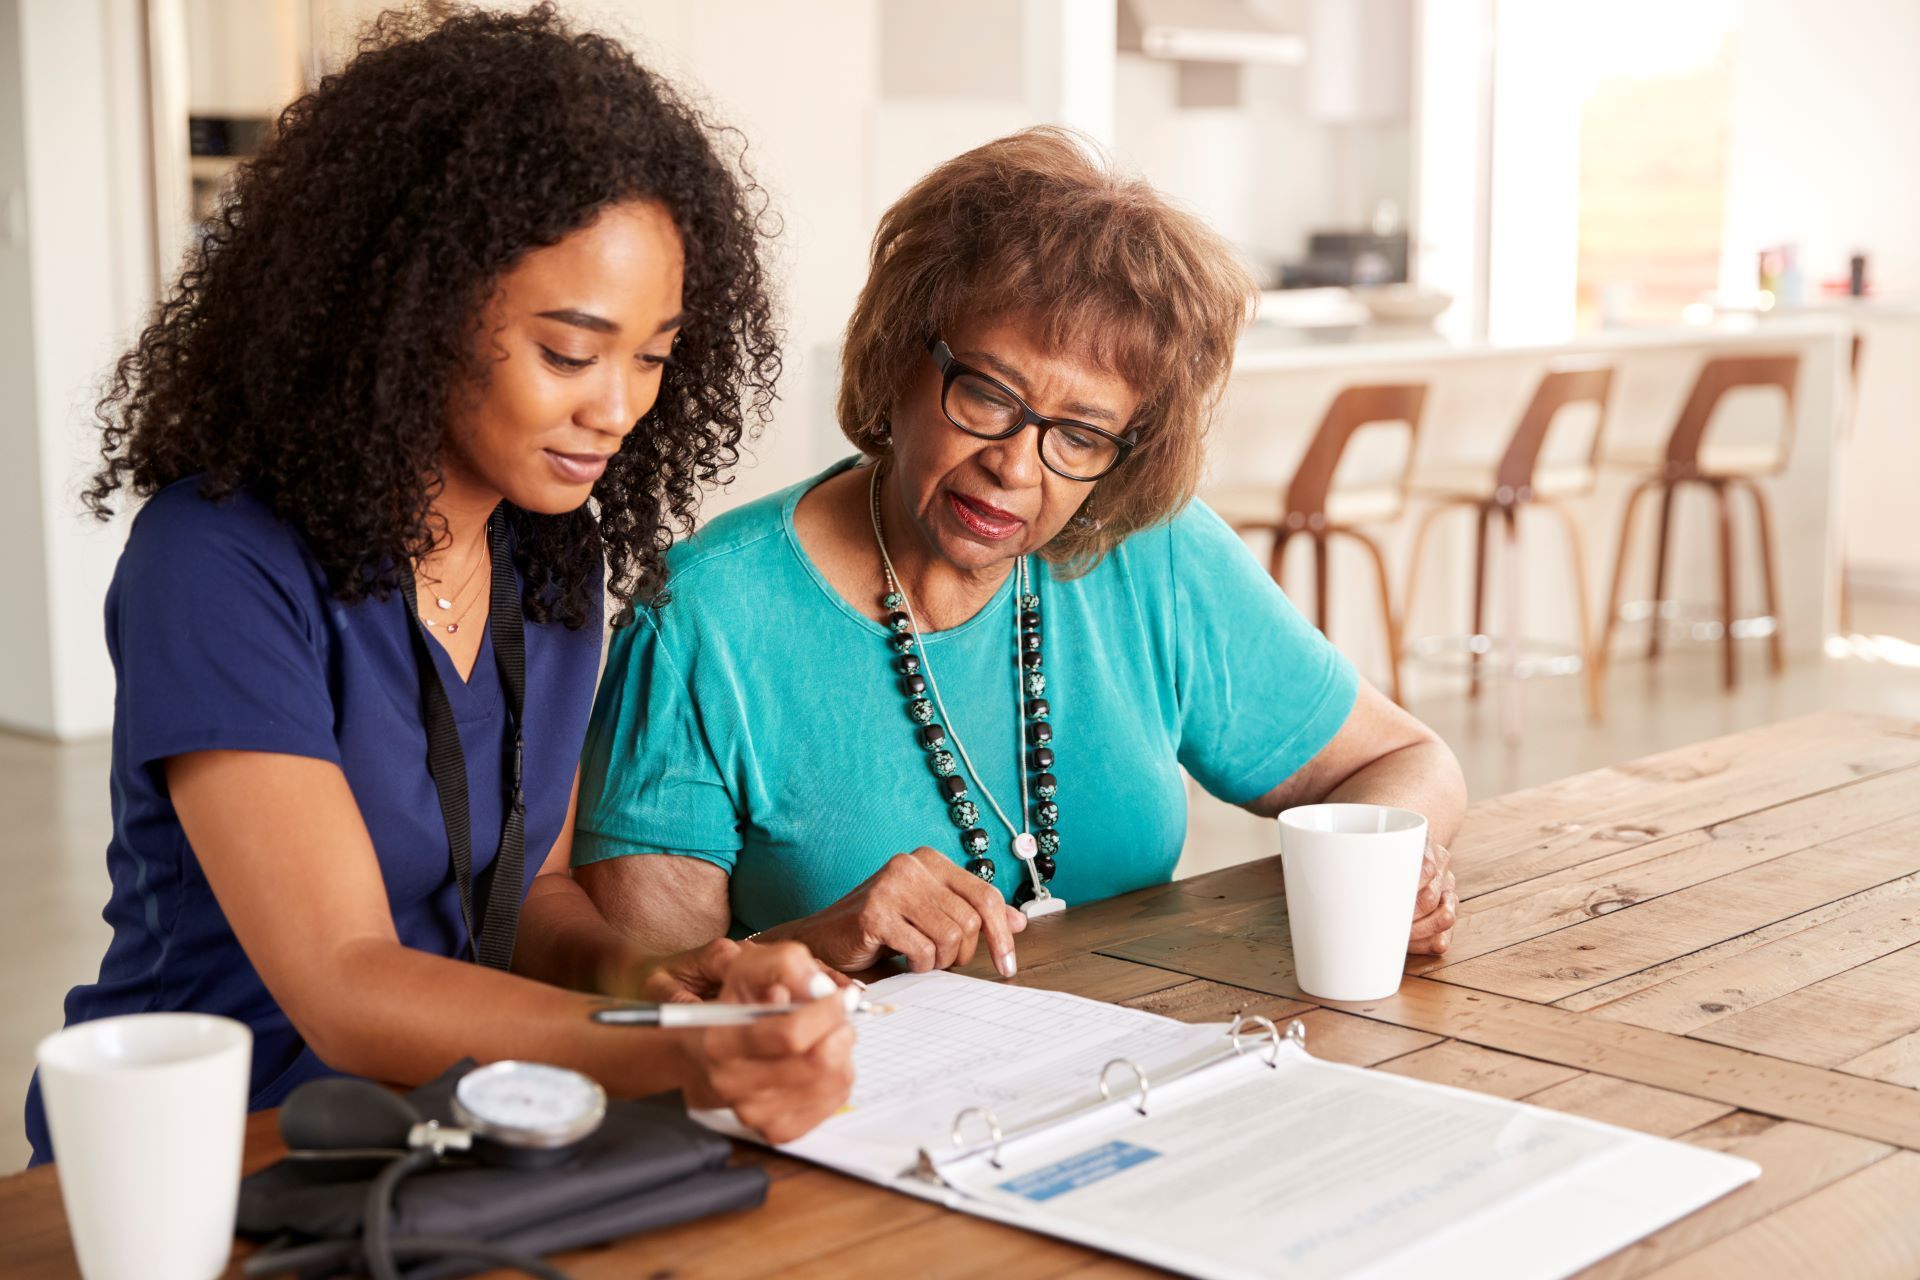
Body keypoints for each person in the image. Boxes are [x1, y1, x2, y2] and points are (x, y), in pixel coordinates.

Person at [23, 6, 850, 1167]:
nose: (616, 407)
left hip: (447, 1135)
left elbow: (537, 897)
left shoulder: (551, 555)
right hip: (204, 1158)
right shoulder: (214, 562)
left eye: (653, 355)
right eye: (569, 351)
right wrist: (669, 1046)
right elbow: (347, 984)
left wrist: (673, 985)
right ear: (408, 312)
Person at [572, 128, 1467, 980]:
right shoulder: (704, 618)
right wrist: (815, 945)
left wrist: (1399, 859)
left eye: (1080, 435)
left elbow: (1404, 761)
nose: (1014, 465)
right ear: (898, 360)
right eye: (988, 395)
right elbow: (650, 1001)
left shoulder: (1149, 554)